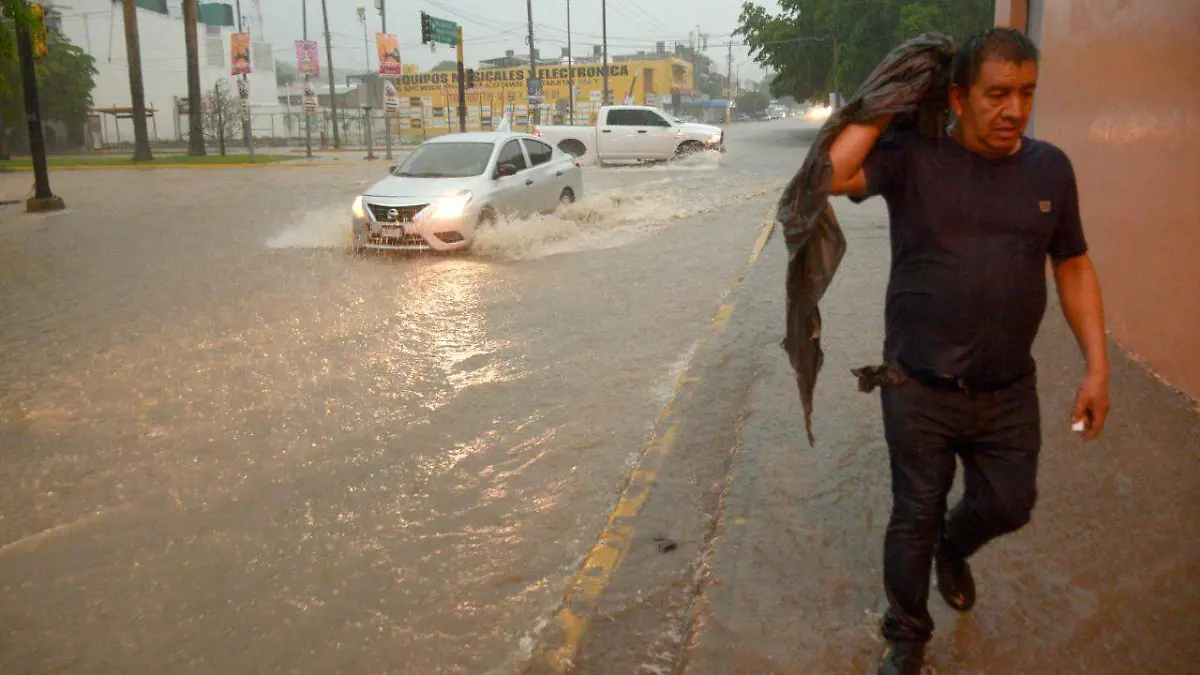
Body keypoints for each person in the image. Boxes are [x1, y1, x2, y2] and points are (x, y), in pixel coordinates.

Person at [827, 28, 1111, 675]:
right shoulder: (912, 156)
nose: (1015, 110)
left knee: (1010, 504)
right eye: (998, 94)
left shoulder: (1050, 169)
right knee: (914, 511)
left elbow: (1072, 263)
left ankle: (952, 548)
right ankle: (906, 637)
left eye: (1027, 93)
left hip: (1007, 388)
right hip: (917, 383)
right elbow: (832, 174)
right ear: (957, 96)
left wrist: (1097, 366)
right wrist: (883, 101)